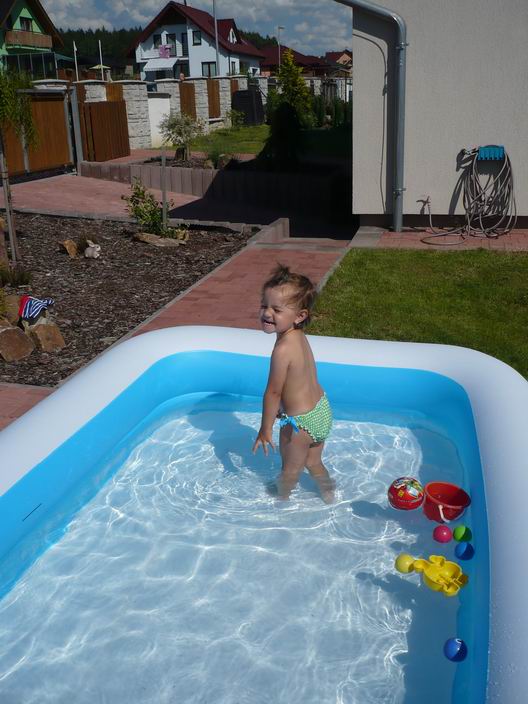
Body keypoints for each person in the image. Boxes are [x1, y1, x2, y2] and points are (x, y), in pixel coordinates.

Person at [252, 264, 335, 503]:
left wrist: (265, 429)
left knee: (289, 471)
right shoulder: (299, 337)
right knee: (313, 462)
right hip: (321, 411)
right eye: (264, 306)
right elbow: (297, 382)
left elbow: (273, 392)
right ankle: (329, 494)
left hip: (300, 425)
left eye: (277, 309)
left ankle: (281, 502)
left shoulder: (282, 350)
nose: (267, 313)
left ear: (300, 316)